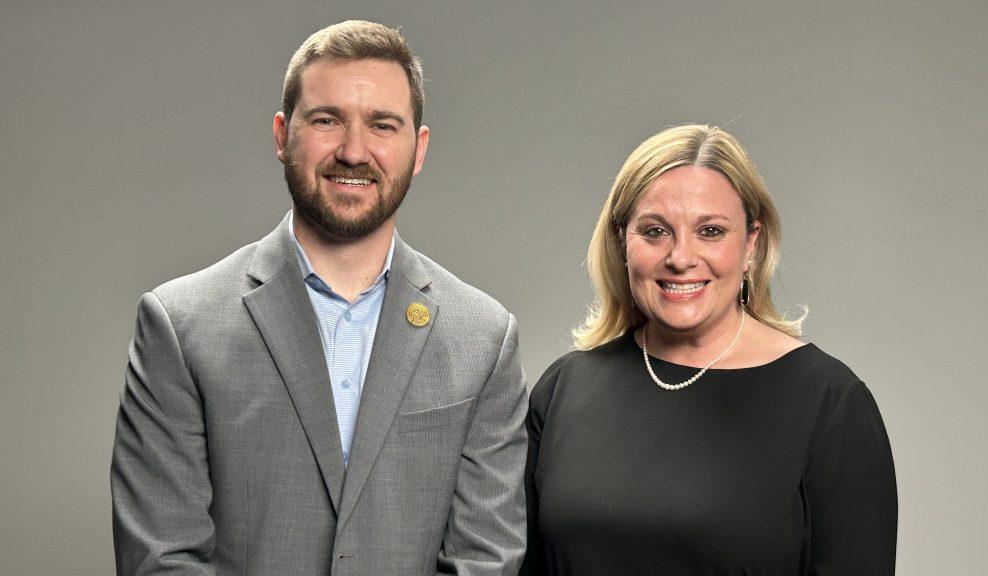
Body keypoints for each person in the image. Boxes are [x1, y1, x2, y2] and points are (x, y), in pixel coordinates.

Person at [111, 21, 527, 575]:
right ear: (283, 136)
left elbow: (487, 559)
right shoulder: (180, 325)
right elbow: (160, 558)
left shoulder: (484, 338)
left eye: (382, 125)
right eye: (327, 120)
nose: (354, 151)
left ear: (418, 148)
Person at [522, 125, 897, 575]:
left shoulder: (830, 403)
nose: (681, 257)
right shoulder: (565, 389)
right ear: (622, 240)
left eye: (711, 231)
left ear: (752, 244)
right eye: (655, 231)